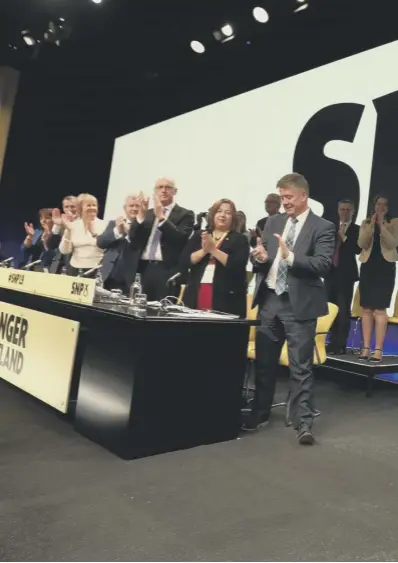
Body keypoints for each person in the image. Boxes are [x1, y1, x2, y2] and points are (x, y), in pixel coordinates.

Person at [241, 173, 335, 445]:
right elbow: (264, 261)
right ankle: (259, 414)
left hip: (299, 307)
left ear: (304, 195)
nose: (284, 203)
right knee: (265, 364)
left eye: (288, 197)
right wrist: (258, 258)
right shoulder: (273, 222)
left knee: (300, 367)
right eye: (281, 197)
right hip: (270, 303)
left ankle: (304, 423)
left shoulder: (323, 227)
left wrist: (290, 256)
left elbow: (322, 265)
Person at [180, 199, 249, 317]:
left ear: (233, 217)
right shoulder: (200, 235)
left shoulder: (239, 239)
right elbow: (185, 260)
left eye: (228, 213)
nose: (222, 215)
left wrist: (214, 250)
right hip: (197, 290)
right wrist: (204, 250)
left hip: (225, 296)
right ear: (213, 214)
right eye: (219, 211)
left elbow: (237, 265)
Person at [129, 178, 194, 301]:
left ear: (175, 191)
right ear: (155, 192)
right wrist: (140, 216)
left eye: (168, 187)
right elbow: (134, 240)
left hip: (166, 270)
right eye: (160, 187)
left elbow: (180, 239)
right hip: (144, 269)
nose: (163, 190)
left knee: (161, 311)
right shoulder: (147, 213)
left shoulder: (186, 214)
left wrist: (161, 217)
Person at [357, 195, 398, 362]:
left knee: (380, 309)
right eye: (378, 204)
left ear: (388, 207)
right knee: (367, 308)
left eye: (384, 204)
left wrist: (381, 224)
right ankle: (366, 347)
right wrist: (372, 225)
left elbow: (392, 243)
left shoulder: (394, 222)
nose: (380, 207)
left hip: (385, 268)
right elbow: (361, 243)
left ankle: (378, 349)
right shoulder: (366, 222)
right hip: (368, 267)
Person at [326, 199, 360, 354]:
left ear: (352, 212)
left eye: (348, 210)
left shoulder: (357, 229)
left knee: (343, 310)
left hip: (346, 274)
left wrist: (343, 237)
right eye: (342, 209)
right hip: (330, 273)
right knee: (330, 309)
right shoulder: (330, 227)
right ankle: (330, 341)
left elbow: (358, 249)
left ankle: (340, 344)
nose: (344, 212)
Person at [97, 195, 141, 294]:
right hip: (107, 274)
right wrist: (117, 231)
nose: (134, 208)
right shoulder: (113, 223)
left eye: (137, 206)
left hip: (129, 278)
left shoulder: (144, 226)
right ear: (125, 208)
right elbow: (100, 242)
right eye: (131, 206)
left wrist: (130, 232)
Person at [59, 193, 106, 276]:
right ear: (80, 208)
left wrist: (94, 234)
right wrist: (68, 231)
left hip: (97, 270)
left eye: (94, 205)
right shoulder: (72, 225)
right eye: (88, 205)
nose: (92, 208)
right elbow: (65, 251)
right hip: (74, 269)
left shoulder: (105, 225)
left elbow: (106, 247)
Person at [46, 195, 78, 274]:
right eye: (66, 207)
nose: (69, 209)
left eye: (73, 206)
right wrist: (57, 225)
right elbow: (50, 245)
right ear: (63, 208)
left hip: (75, 269)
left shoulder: (85, 224)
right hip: (57, 268)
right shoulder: (61, 223)